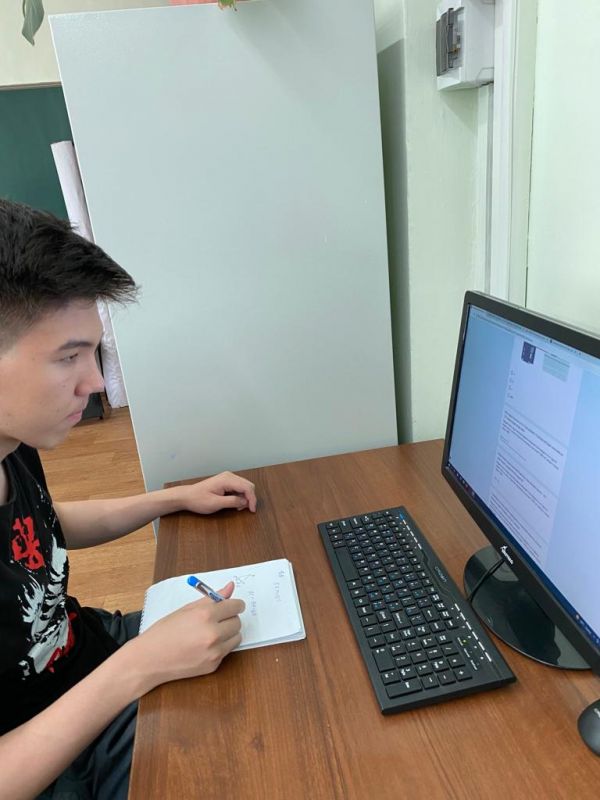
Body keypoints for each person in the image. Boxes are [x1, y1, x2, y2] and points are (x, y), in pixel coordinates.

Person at [0, 198, 257, 800]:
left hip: (89, 653)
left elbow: (43, 526)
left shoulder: (13, 441)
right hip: (51, 755)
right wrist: (141, 665)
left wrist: (172, 500)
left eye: (93, 353)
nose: (94, 383)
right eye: (68, 357)